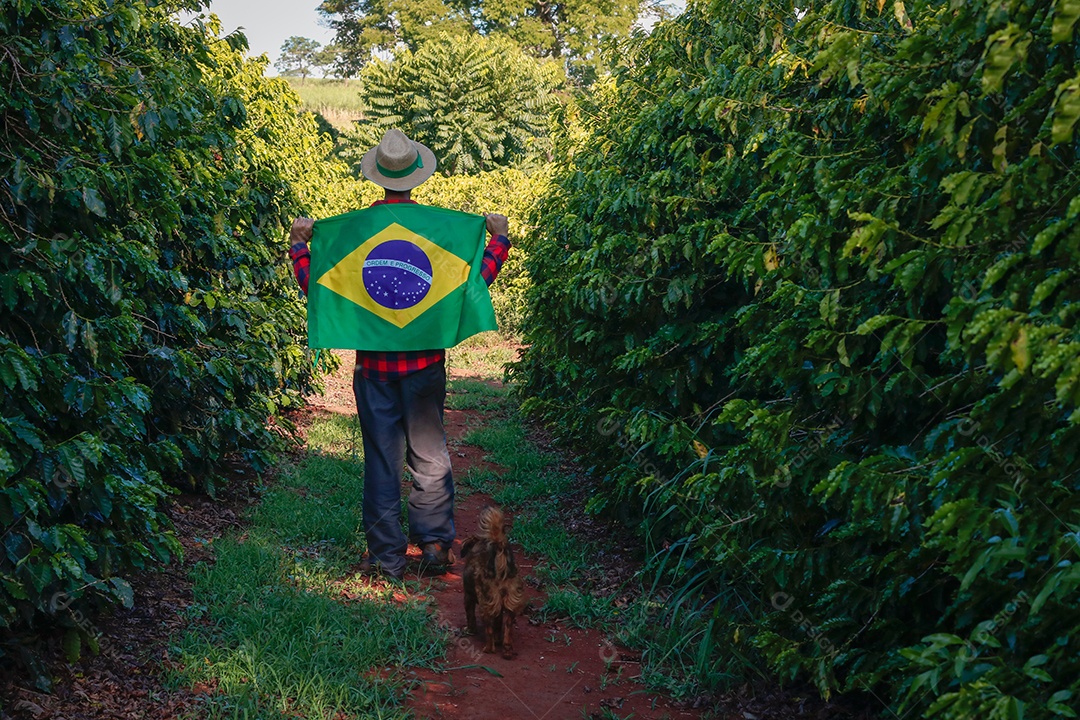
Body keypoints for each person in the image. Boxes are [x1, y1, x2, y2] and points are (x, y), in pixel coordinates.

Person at [287, 128, 511, 580]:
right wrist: (499, 240)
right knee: (430, 455)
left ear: (378, 178)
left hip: (373, 372)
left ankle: (387, 558)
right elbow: (470, 288)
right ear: (417, 177)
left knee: (381, 460)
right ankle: (432, 547)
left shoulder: (352, 235)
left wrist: (298, 244)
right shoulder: (439, 233)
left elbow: (318, 290)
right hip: (425, 367)